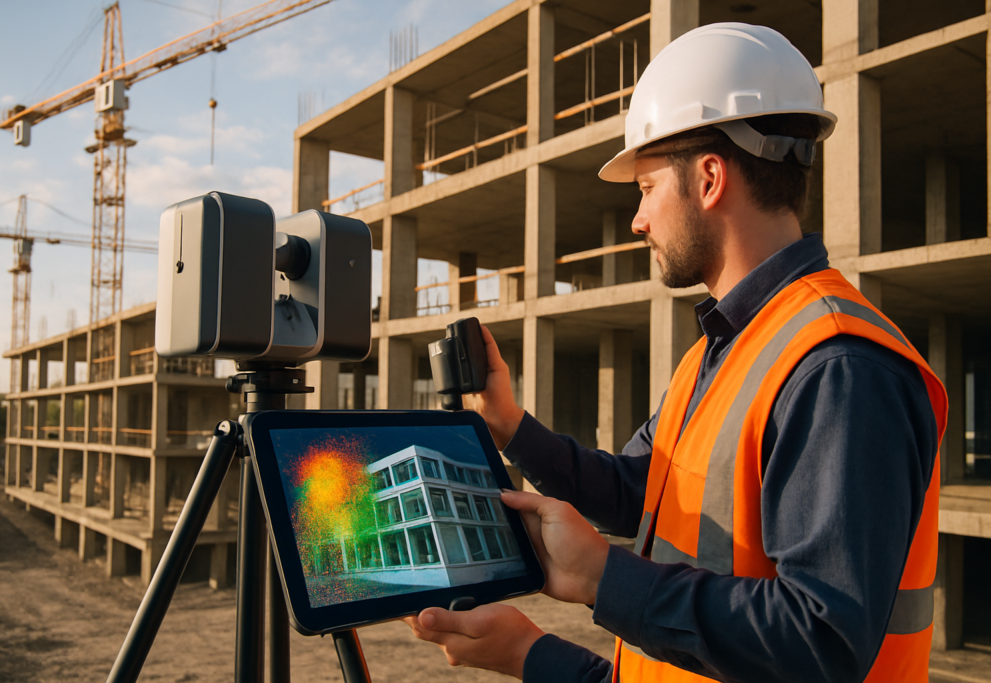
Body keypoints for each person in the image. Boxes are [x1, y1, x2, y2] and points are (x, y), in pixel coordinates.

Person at [405, 23, 948, 683]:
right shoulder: (722, 352)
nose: (638, 220)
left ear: (710, 178)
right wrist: (512, 429)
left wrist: (603, 578)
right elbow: (640, 491)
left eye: (646, 188)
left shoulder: (838, 366)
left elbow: (819, 641)